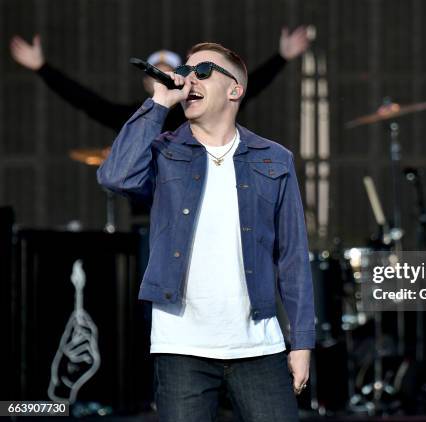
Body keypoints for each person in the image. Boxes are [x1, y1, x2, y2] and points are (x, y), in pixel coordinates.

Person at [97, 41, 314, 422]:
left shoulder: (274, 159)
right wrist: (159, 103)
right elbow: (114, 176)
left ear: (235, 89)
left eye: (202, 71)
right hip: (181, 345)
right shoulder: (164, 152)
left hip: (258, 347)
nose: (188, 79)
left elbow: (293, 256)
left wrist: (302, 343)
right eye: (186, 71)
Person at [9, 26, 309, 133]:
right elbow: (85, 100)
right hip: (150, 218)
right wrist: (42, 68)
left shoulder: (198, 110)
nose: (163, 77)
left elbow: (245, 88)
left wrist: (281, 58)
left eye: (171, 71)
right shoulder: (133, 118)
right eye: (156, 72)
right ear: (146, 81)